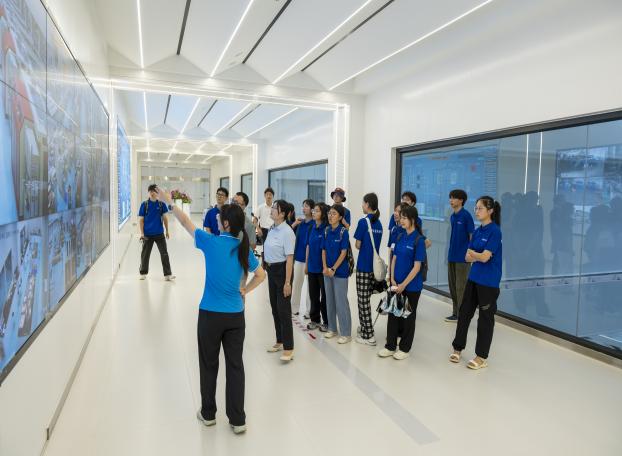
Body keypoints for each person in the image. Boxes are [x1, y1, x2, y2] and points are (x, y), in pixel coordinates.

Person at [154, 188, 266, 435]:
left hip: (210, 315)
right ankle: (237, 419)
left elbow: (185, 222)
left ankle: (208, 414)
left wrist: (169, 203)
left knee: (208, 365)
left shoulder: (211, 242)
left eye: (219, 217)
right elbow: (261, 275)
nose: (216, 218)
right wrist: (245, 290)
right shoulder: (243, 248)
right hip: (235, 316)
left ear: (225, 224)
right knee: (235, 366)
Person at [450, 196, 502, 370]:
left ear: (490, 211)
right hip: (474, 278)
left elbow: (486, 257)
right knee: (464, 313)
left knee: (485, 320)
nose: (477, 211)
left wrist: (476, 255)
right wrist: (477, 255)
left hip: (489, 282)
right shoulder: (478, 231)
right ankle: (457, 348)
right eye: (476, 208)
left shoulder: (495, 231)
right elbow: (467, 257)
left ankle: (481, 356)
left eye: (480, 208)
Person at [378, 205, 426, 360]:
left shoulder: (419, 240)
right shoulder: (400, 236)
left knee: (408, 317)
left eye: (404, 218)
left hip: (411, 286)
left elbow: (417, 267)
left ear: (413, 220)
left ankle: (405, 348)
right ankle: (390, 346)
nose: (401, 220)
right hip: (396, 283)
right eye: (401, 217)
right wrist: (392, 278)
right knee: (393, 314)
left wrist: (404, 284)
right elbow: (394, 258)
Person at [264, 200, 296, 362]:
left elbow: (290, 258)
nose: (272, 209)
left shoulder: (287, 232)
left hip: (283, 272)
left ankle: (289, 348)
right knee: (275, 308)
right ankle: (280, 340)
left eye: (275, 208)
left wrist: (287, 282)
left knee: (283, 310)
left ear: (282, 214)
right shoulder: (272, 228)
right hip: (271, 271)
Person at [353, 193, 383, 346]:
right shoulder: (379, 224)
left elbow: (358, 245)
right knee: (365, 299)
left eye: (363, 203)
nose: (362, 205)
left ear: (368, 204)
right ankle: (365, 328)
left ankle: (369, 335)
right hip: (374, 268)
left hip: (364, 266)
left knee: (363, 301)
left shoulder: (363, 222)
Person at [322, 204, 352, 344]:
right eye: (329, 213)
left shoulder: (343, 232)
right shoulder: (327, 230)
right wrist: (325, 267)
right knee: (330, 300)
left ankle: (346, 333)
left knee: (341, 302)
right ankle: (332, 328)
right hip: (327, 271)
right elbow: (323, 250)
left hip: (340, 272)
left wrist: (333, 268)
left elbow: (343, 252)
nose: (330, 216)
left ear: (340, 217)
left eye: (334, 213)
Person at [445, 189, 475, 322]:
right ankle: (455, 313)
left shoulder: (466, 216)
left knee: (461, 287)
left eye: (454, 198)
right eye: (450, 198)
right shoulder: (453, 216)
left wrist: (470, 254)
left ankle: (461, 315)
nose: (451, 200)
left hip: (462, 258)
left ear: (461, 200)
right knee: (452, 287)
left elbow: (472, 236)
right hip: (452, 256)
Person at [138, 184, 175, 281]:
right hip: (147, 234)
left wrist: (167, 231)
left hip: (159, 234)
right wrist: (142, 233)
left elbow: (165, 218)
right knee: (145, 254)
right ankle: (143, 273)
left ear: (157, 193)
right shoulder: (144, 205)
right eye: (150, 191)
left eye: (154, 191)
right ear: (148, 192)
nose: (152, 193)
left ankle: (167, 274)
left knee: (164, 254)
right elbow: (141, 220)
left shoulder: (161, 204)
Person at [305, 202, 329, 331]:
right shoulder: (311, 227)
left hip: (323, 269)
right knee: (313, 296)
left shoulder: (327, 229)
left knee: (325, 297)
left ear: (323, 213)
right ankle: (314, 320)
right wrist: (306, 265)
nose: (313, 212)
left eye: (317, 211)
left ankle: (327, 322)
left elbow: (326, 250)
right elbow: (308, 246)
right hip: (312, 267)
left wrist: (326, 267)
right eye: (313, 210)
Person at [290, 199, 315, 316]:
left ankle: (309, 311)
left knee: (310, 287)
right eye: (303, 206)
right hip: (298, 258)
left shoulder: (314, 224)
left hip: (310, 259)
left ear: (312, 209)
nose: (304, 208)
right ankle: (294, 308)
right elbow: (289, 233)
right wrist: (295, 223)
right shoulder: (300, 223)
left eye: (306, 206)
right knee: (296, 284)